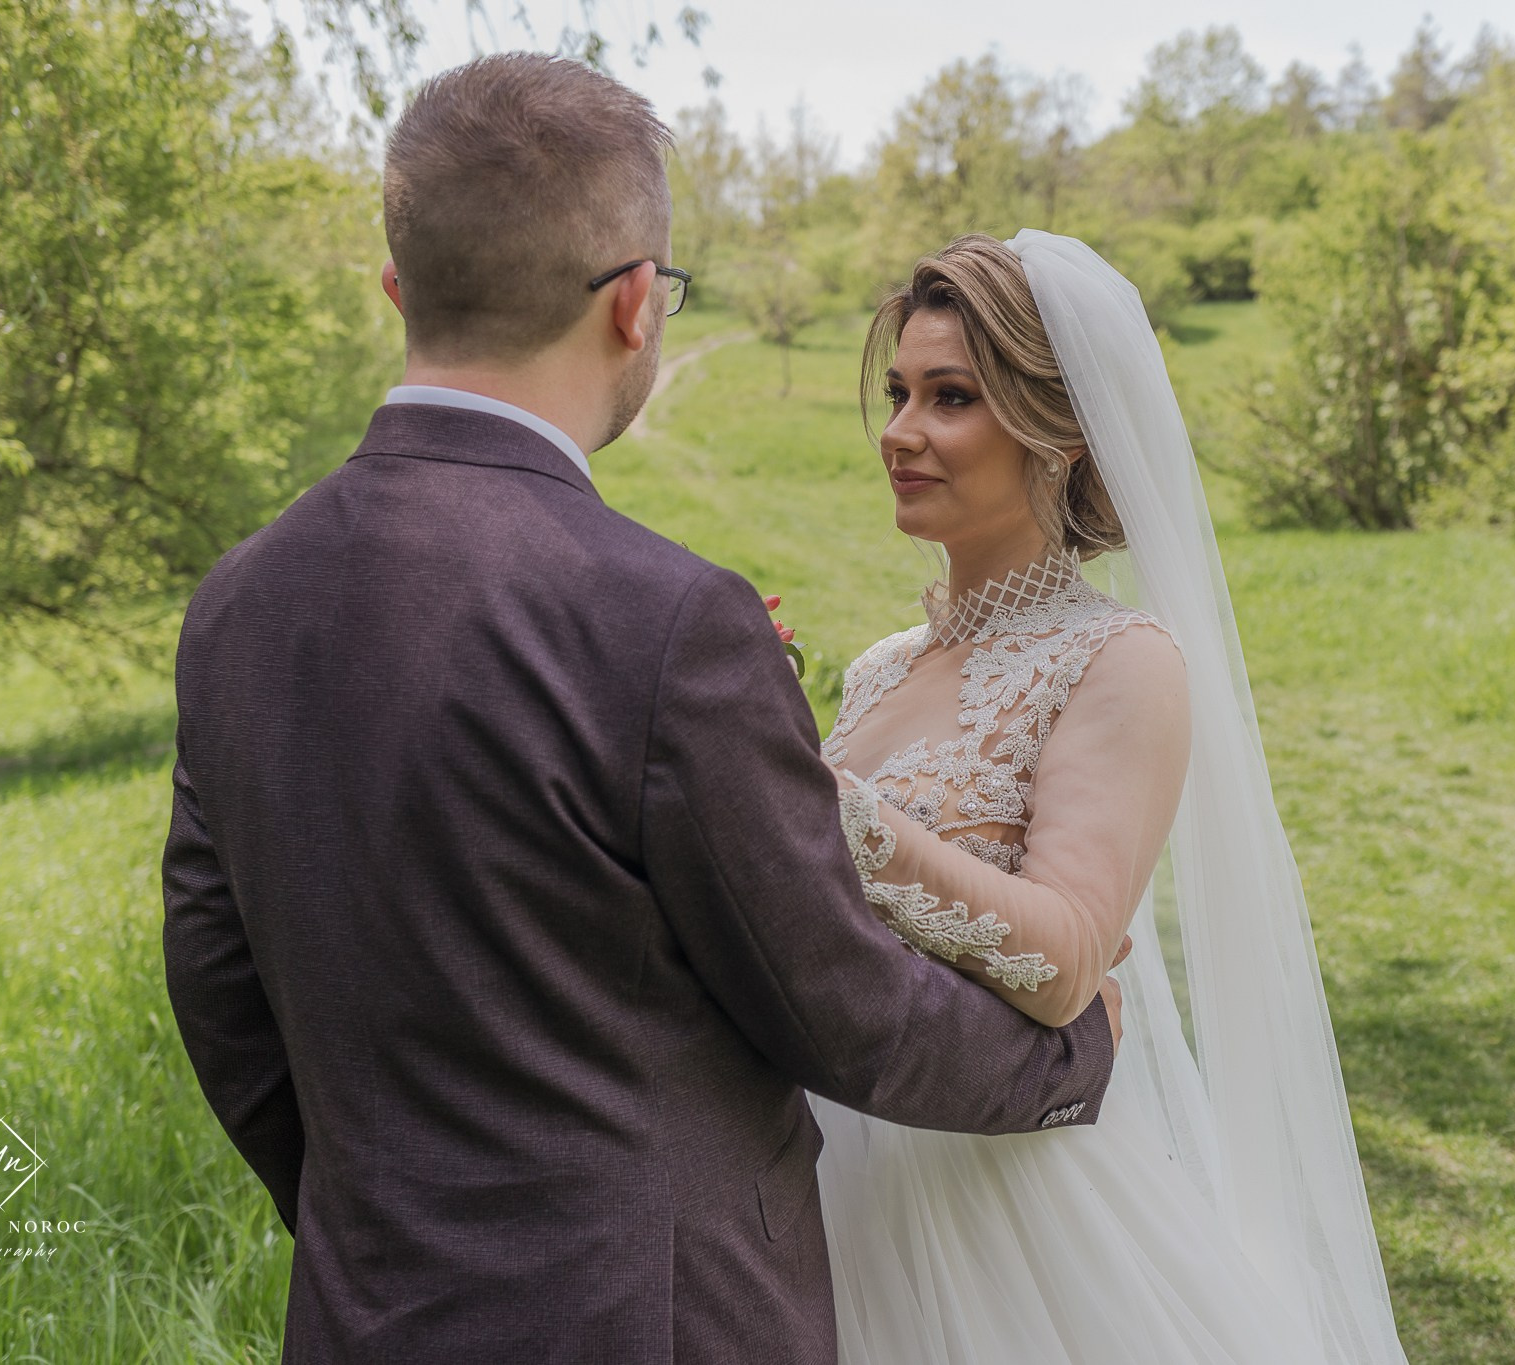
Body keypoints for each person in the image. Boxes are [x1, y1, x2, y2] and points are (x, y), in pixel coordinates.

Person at [159, 57, 1120, 1364]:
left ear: (400, 289)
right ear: (631, 306)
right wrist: (1073, 1059)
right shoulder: (663, 621)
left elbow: (222, 996)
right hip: (663, 1324)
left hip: (363, 1313)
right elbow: (837, 1000)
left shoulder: (234, 605)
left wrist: (374, 1221)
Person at [810, 232, 1412, 1364]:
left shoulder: (1117, 659)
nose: (899, 434)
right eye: (898, 393)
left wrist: (816, 804)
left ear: (1058, 432)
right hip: (832, 1165)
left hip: (989, 1209)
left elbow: (1065, 960)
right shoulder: (880, 666)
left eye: (950, 399)